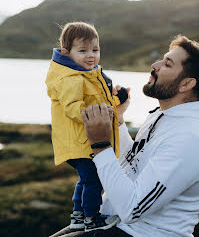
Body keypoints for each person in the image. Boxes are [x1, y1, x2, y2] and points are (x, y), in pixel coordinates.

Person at [51, 35, 199, 237]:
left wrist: (101, 144)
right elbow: (131, 164)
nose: (155, 65)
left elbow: (133, 208)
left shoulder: (190, 136)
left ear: (186, 84)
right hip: (110, 224)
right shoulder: (163, 115)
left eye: (167, 64)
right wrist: (118, 121)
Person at [45, 22, 128, 233]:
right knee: (94, 179)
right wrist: (97, 116)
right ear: (66, 52)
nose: (90, 55)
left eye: (95, 50)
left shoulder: (89, 74)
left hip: (85, 141)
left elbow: (100, 101)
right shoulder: (72, 79)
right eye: (83, 51)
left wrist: (117, 100)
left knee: (86, 179)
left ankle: (78, 216)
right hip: (82, 142)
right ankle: (92, 218)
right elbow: (72, 108)